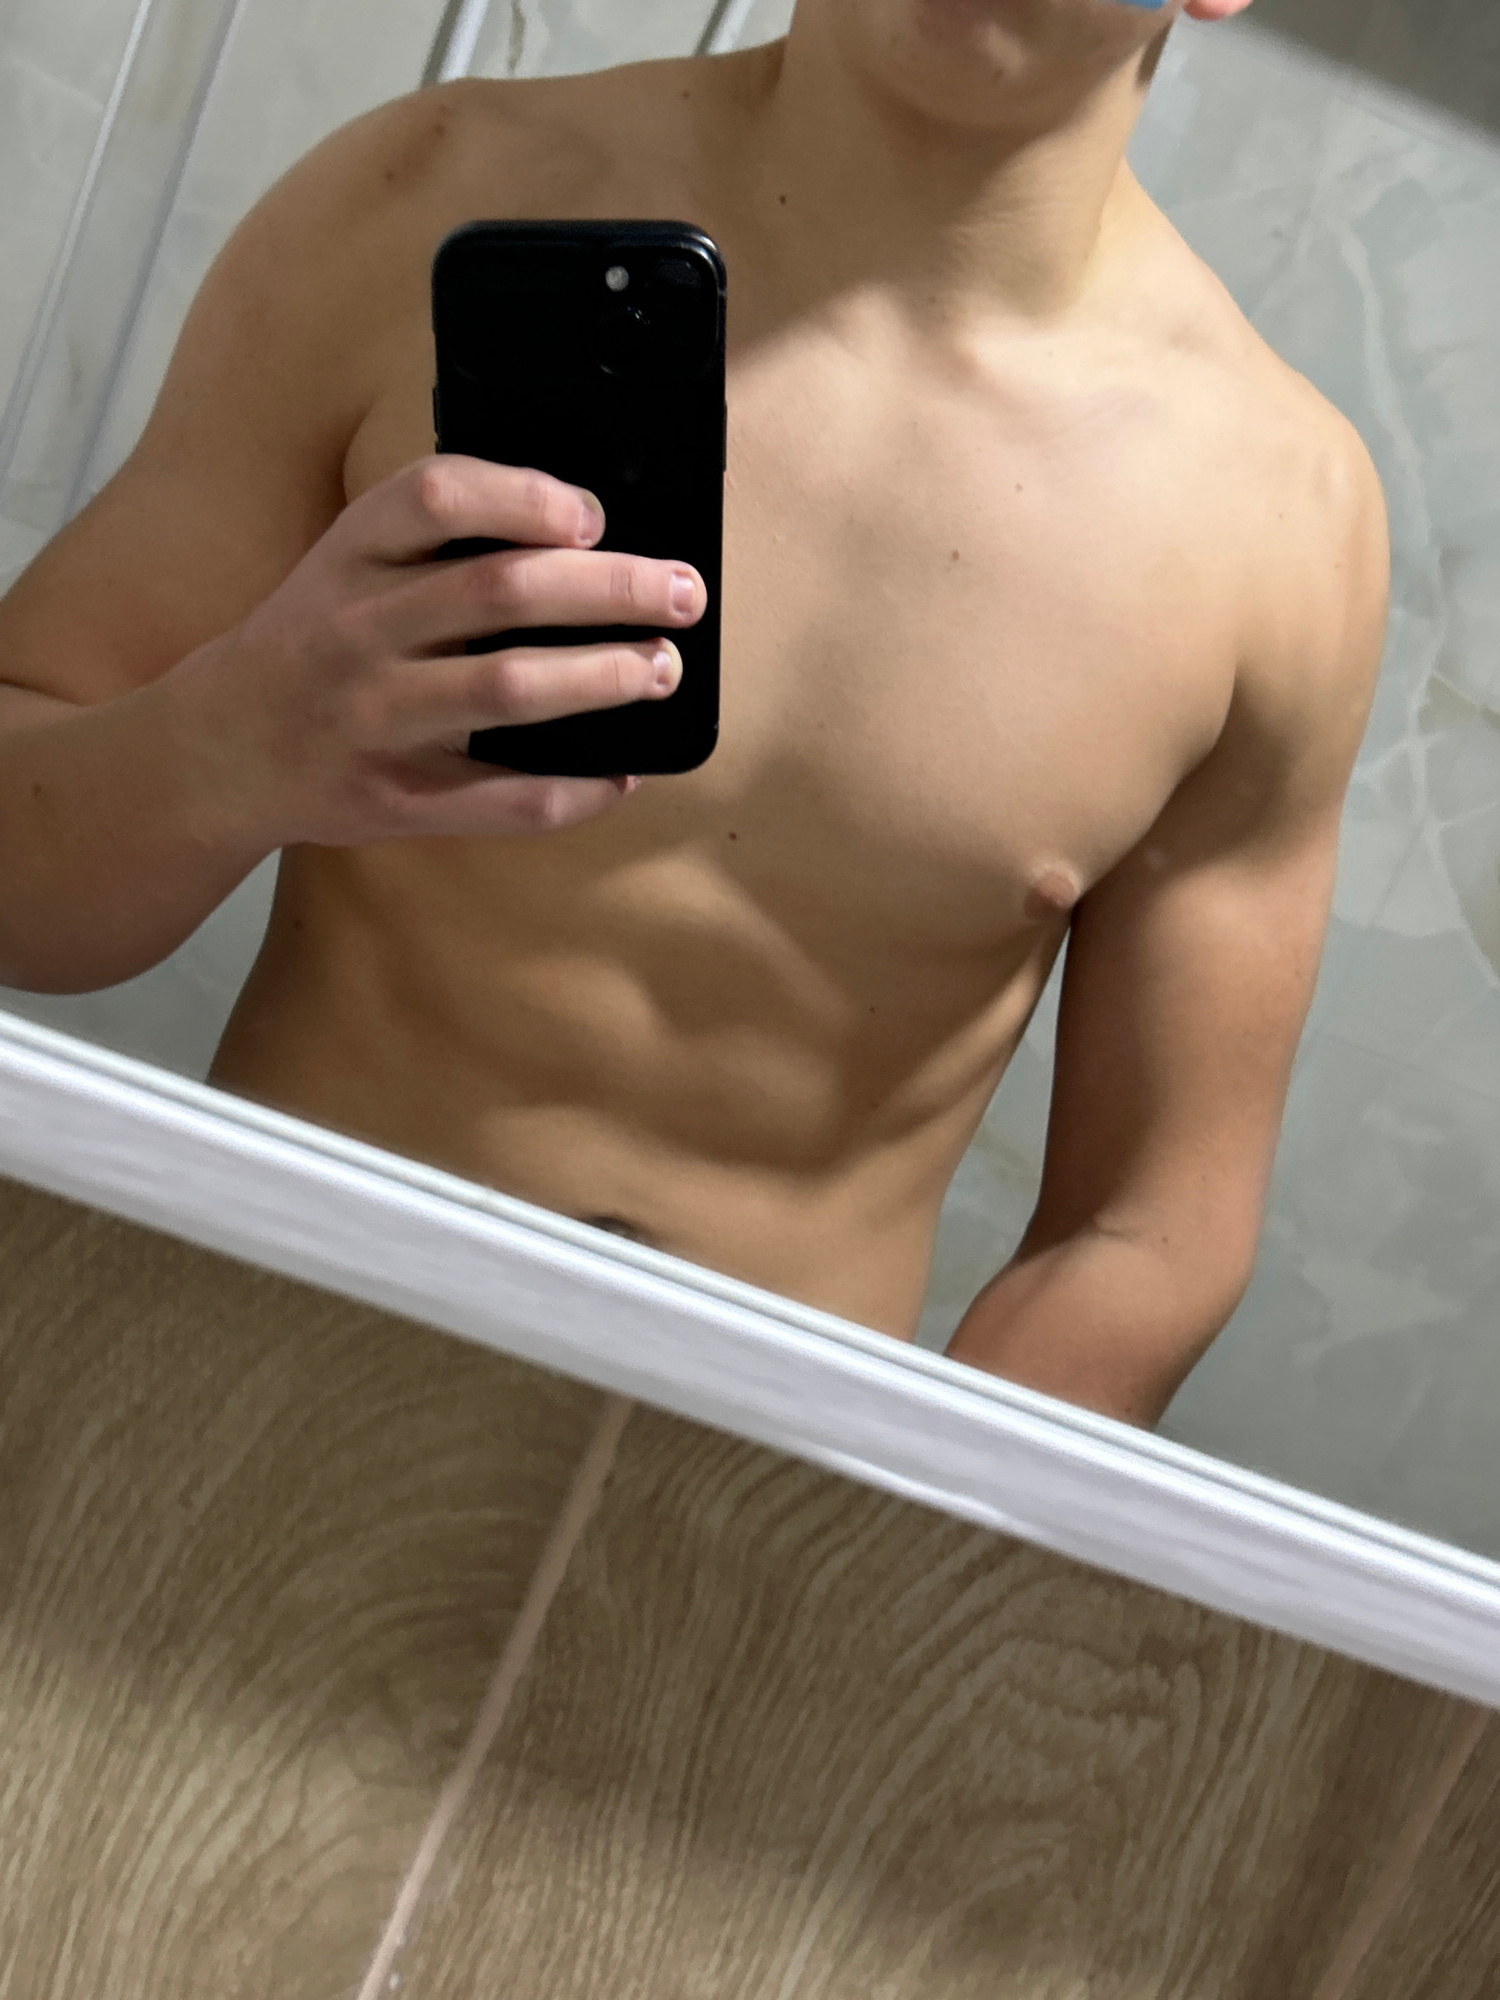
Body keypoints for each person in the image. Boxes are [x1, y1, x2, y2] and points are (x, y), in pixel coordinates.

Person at [0, 0, 1390, 1427]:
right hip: (237, 1373)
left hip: (740, 1498)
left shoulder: (1284, 523)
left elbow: (1152, 1229)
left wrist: (882, 1540)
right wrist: (226, 747)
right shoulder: (422, 199)